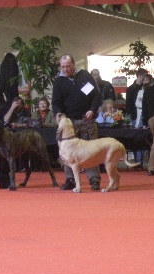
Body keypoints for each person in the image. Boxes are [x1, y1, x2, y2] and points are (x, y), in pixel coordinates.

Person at [52, 54, 102, 190]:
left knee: (91, 151)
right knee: (67, 153)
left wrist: (92, 110)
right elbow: (56, 102)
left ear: (74, 64)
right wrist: (58, 113)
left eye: (68, 66)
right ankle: (70, 180)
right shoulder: (59, 82)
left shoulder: (84, 76)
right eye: (63, 67)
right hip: (69, 122)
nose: (65, 70)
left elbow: (96, 96)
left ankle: (94, 179)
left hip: (87, 119)